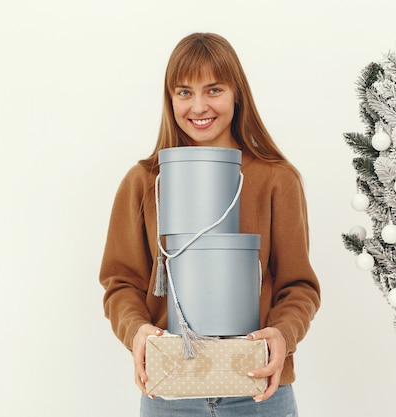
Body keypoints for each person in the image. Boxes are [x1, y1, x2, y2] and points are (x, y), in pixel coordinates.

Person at [99, 32, 321, 416]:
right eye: (184, 92)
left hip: (259, 390)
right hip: (169, 392)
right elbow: (120, 283)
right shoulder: (143, 182)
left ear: (237, 93)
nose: (198, 106)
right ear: (170, 100)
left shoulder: (277, 179)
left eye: (213, 89)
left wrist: (284, 335)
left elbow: (297, 285)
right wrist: (136, 331)